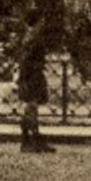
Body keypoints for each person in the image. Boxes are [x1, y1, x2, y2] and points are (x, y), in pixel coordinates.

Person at [15, 10, 55, 153]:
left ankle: (33, 139)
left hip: (32, 74)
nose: (43, 23)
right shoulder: (32, 37)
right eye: (41, 20)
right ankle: (28, 141)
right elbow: (26, 59)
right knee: (30, 107)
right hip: (31, 75)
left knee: (32, 108)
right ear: (37, 21)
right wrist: (24, 78)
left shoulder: (30, 36)